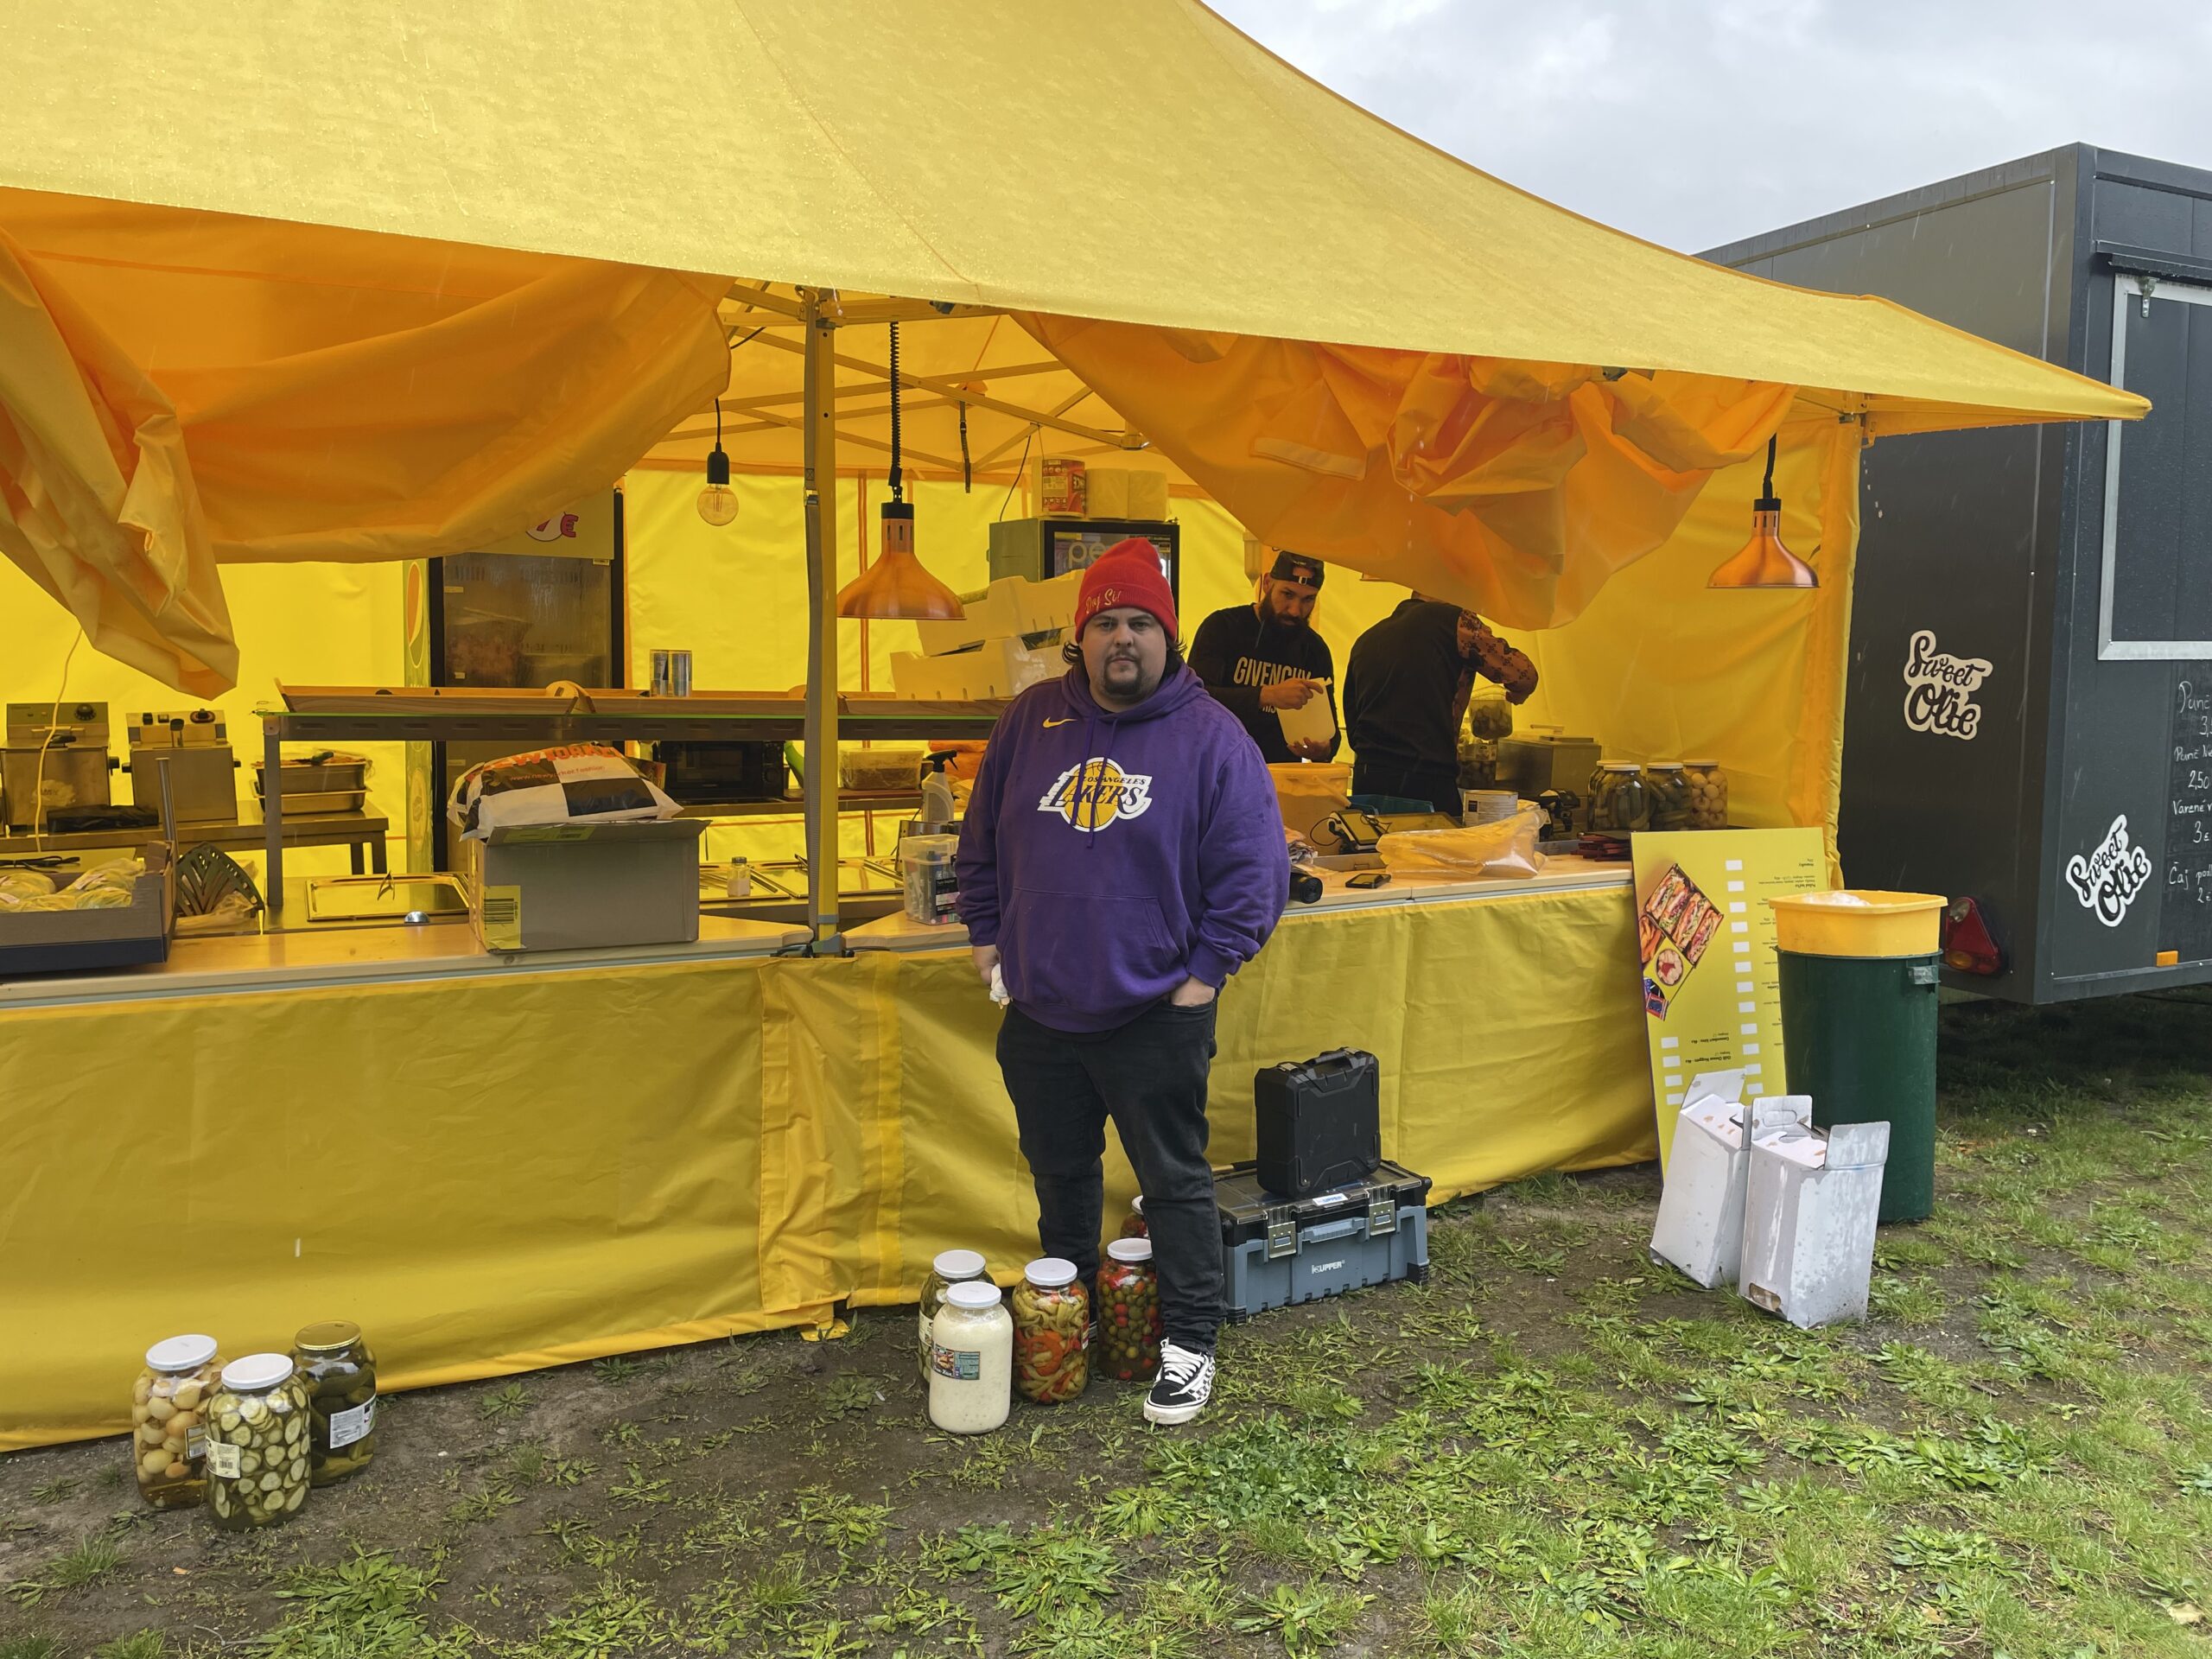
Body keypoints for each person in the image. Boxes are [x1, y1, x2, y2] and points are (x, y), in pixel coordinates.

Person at [956, 539, 1289, 1426]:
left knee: (1172, 1180)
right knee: (1058, 1174)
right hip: (1042, 1010)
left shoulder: (1212, 737)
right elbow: (980, 842)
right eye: (1105, 622)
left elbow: (1253, 873)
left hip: (1154, 1011)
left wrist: (1203, 974)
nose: (1123, 640)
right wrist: (987, 937)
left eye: (1141, 622)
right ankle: (1070, 1325)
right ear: (1080, 637)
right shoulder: (1029, 722)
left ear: (1169, 637)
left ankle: (1188, 1342)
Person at [1342, 595, 1538, 815]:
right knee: (1437, 849)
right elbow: (1524, 675)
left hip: (1368, 783)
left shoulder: (1367, 639)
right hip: (1425, 781)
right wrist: (1519, 694)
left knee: (1376, 848)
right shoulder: (1451, 620)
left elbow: (1352, 725)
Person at [1186, 550, 1339, 764]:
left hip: (1280, 779)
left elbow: (1332, 737)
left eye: (1308, 599)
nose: (1295, 610)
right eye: (1287, 594)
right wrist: (1265, 695)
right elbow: (1194, 701)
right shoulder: (1223, 627)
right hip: (1217, 768)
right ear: (1267, 583)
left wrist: (1322, 750)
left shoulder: (1314, 649)